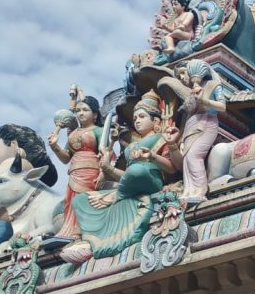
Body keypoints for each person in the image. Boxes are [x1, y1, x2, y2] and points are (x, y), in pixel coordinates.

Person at [70, 94, 181, 259]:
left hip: (148, 178)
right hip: (130, 185)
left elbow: (172, 168)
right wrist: (108, 168)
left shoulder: (161, 138)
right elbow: (125, 176)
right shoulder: (132, 146)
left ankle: (116, 196)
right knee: (78, 200)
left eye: (142, 117)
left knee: (137, 171)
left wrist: (152, 156)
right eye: (135, 117)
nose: (137, 121)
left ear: (156, 121)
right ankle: (92, 241)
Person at [171, 59, 226, 203]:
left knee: (194, 156)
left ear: (193, 70)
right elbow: (188, 117)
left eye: (183, 73)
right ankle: (189, 191)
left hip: (207, 123)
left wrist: (205, 101)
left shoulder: (213, 85)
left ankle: (200, 190)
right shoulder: (191, 94)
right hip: (191, 128)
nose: (182, 78)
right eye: (179, 77)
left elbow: (222, 106)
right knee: (186, 159)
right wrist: (181, 140)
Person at [48, 96, 103, 237]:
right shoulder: (73, 133)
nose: (81, 113)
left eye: (85, 110)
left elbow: (105, 153)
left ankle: (84, 229)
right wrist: (55, 146)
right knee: (71, 201)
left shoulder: (98, 131)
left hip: (91, 170)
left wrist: (103, 172)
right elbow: (66, 158)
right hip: (74, 170)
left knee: (85, 199)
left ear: (95, 115)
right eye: (78, 110)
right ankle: (71, 229)